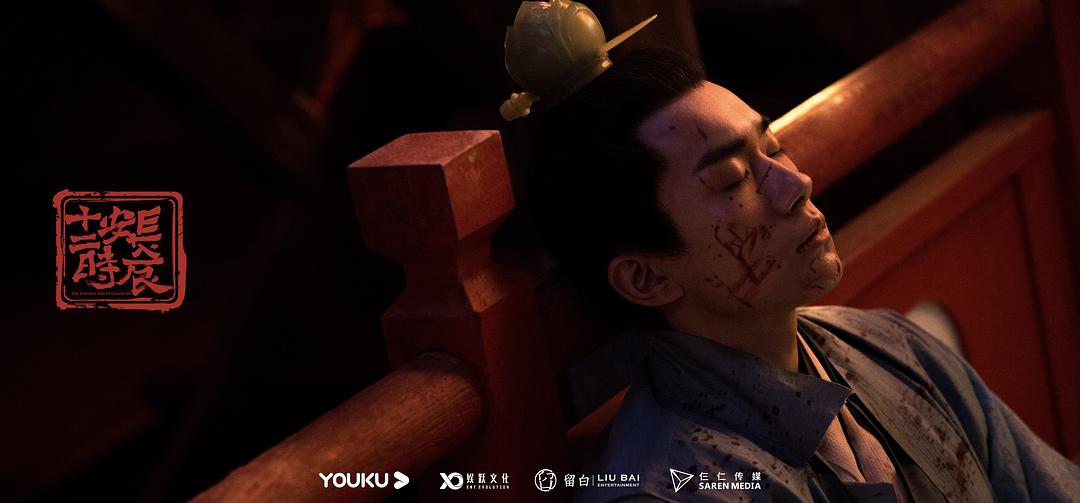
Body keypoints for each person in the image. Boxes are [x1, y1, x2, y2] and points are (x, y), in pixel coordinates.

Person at [527, 47, 1080, 502]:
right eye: (732, 180)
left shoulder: (893, 346)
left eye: (774, 148)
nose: (796, 184)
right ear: (647, 278)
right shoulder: (672, 487)